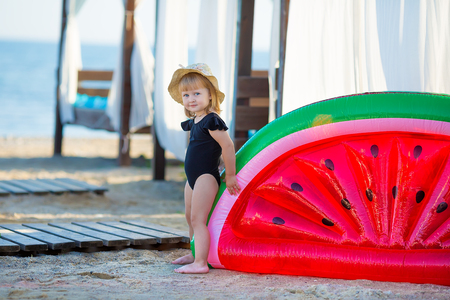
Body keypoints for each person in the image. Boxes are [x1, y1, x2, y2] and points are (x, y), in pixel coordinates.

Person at [167, 63, 240, 274]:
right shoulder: (194, 121)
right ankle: (193, 253)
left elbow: (228, 145)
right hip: (192, 178)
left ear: (210, 95)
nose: (191, 99)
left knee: (199, 219)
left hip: (206, 177)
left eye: (197, 93)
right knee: (189, 217)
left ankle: (200, 263)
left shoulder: (212, 120)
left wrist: (231, 174)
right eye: (186, 95)